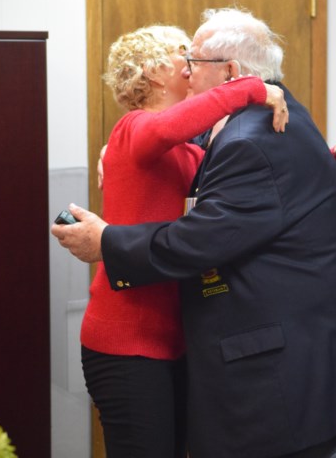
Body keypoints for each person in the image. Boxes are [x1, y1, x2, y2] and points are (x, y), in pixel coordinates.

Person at [54, 7, 336, 458]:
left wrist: (107, 241)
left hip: (271, 365)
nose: (188, 71)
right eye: (183, 59)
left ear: (229, 71)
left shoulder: (245, 136)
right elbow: (184, 148)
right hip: (135, 339)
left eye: (194, 60)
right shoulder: (268, 115)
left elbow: (222, 219)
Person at [80, 24, 290, 458]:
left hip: (177, 343)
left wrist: (333, 161)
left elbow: (244, 187)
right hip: (126, 345)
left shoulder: (192, 152)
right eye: (182, 54)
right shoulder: (132, 129)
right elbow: (161, 131)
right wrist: (249, 87)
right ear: (155, 72)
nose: (192, 64)